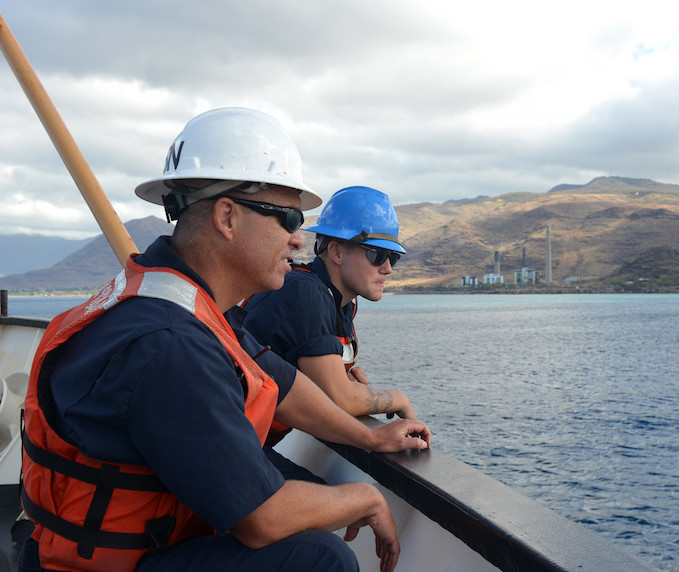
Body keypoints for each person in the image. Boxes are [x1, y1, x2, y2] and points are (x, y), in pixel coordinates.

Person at [19, 107, 431, 572]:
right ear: (227, 217)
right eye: (288, 218)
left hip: (142, 539)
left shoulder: (186, 302)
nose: (299, 240)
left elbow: (284, 386)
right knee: (318, 558)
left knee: (311, 506)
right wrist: (366, 497)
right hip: (99, 565)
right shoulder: (168, 342)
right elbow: (262, 519)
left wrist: (369, 439)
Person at [243, 186, 415, 437]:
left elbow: (329, 389)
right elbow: (340, 398)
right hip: (237, 441)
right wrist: (399, 399)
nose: (388, 268)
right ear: (336, 252)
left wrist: (346, 384)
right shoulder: (305, 293)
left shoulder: (340, 303)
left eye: (393, 258)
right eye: (378, 255)